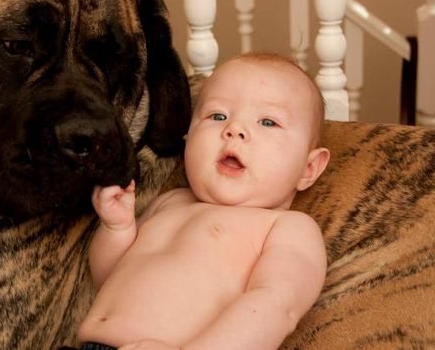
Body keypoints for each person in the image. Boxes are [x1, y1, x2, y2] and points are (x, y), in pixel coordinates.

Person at [76, 53, 331, 350]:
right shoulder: (169, 202)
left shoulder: (286, 227)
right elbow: (108, 279)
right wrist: (116, 228)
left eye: (268, 122)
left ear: (308, 168)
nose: (234, 129)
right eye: (218, 116)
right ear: (189, 138)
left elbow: (275, 305)